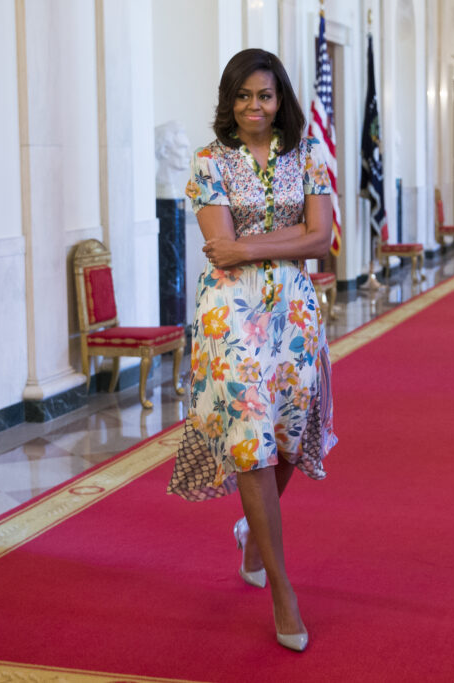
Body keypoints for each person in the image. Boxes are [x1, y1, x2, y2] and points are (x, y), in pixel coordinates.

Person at [167, 48, 337, 652]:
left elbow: (322, 239)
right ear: (229, 101)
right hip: (230, 320)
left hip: (293, 314)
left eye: (263, 95)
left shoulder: (309, 153)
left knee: (288, 439)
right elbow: (221, 249)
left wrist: (251, 245)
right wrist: (285, 240)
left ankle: (251, 532)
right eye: (242, 96)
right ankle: (283, 593)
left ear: (279, 98)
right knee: (250, 442)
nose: (254, 106)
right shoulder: (211, 161)